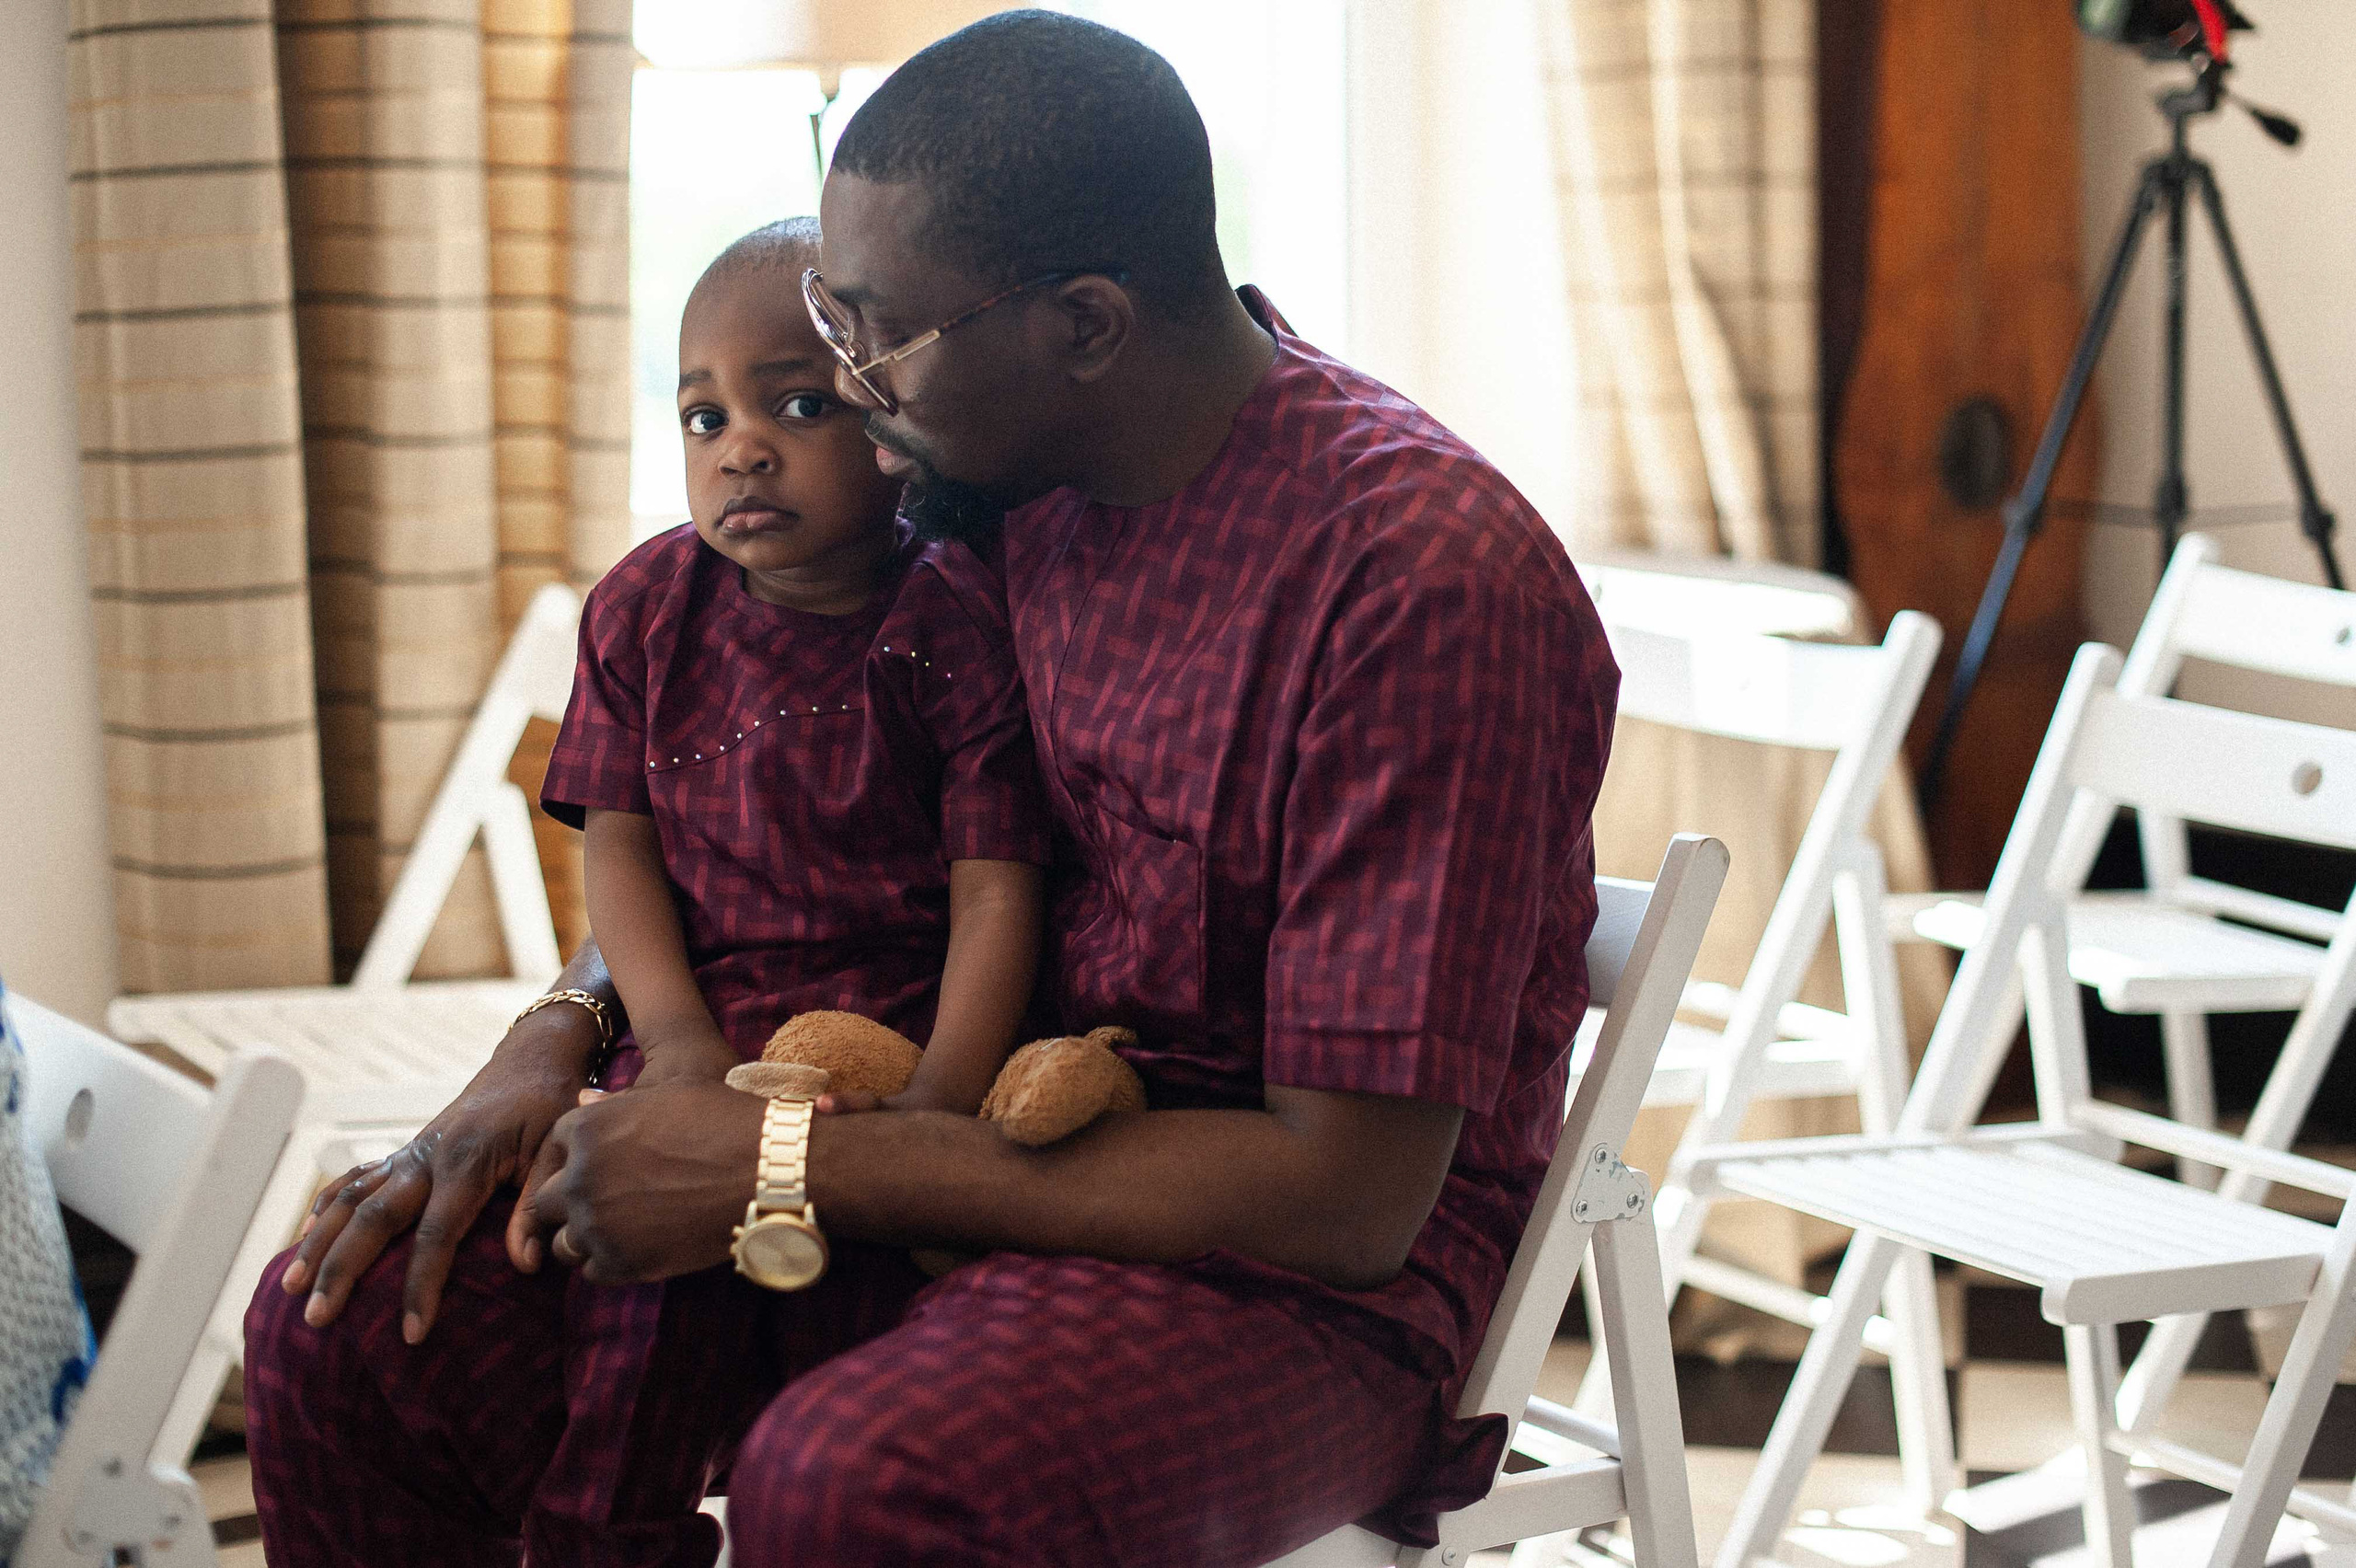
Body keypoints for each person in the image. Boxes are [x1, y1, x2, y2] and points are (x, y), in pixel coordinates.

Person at [245, 13, 1622, 1567]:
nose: (846, 383)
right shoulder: (982, 503)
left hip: (1291, 1277)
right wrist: (553, 1035)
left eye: (872, 334)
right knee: (342, 1328)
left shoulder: (1415, 580)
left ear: (1085, 323)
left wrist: (782, 1162)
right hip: (936, 1135)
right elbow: (734, 827)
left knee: (851, 1480)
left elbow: (1343, 1194)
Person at [548, 216, 1047, 1112]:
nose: (740, 450)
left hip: (893, 1043)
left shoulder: (954, 616)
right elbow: (620, 851)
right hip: (693, 1025)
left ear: (891, 418)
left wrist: (934, 1101)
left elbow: (997, 892)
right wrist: (674, 1042)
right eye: (705, 420)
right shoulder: (640, 609)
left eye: (801, 406)